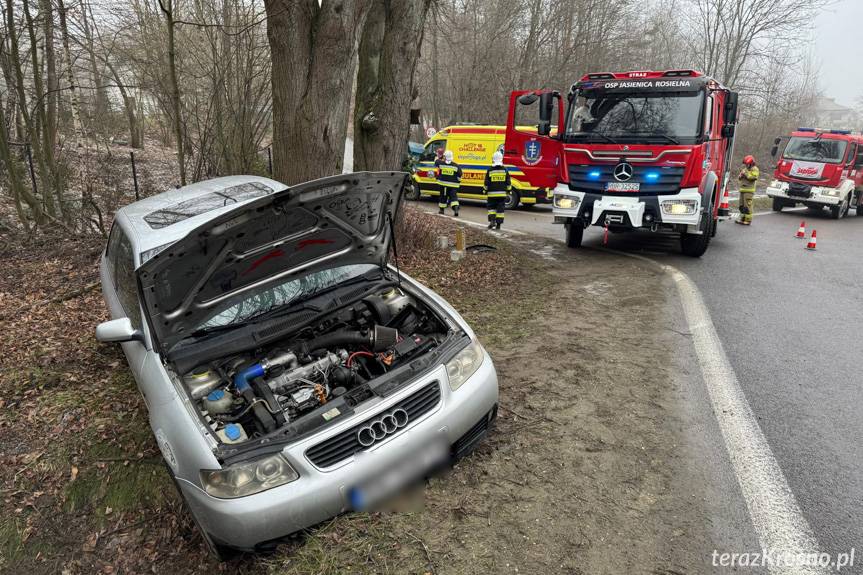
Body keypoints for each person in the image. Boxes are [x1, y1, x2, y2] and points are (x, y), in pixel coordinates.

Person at [484, 151, 510, 229]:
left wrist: (485, 190)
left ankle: (492, 221)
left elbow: (486, 182)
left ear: (493, 159)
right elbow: (508, 182)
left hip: (492, 195)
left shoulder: (490, 170)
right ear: (501, 159)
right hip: (502, 195)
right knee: (500, 210)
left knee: (491, 208)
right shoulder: (505, 170)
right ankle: (498, 225)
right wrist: (508, 191)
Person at [435, 150, 462, 216]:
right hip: (453, 185)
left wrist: (441, 157)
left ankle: (441, 210)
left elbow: (436, 162)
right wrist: (458, 180)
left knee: (443, 197)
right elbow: (460, 174)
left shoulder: (441, 163)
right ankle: (455, 208)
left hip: (443, 185)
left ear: (445, 157)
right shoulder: (456, 166)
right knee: (453, 197)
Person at [736, 155, 759, 225]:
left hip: (749, 191)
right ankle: (742, 218)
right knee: (741, 205)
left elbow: (753, 177)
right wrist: (740, 176)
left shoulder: (755, 169)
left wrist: (745, 173)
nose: (746, 165)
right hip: (742, 190)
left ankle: (748, 220)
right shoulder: (745, 169)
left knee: (747, 206)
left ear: (751, 163)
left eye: (747, 164)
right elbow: (739, 178)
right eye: (745, 164)